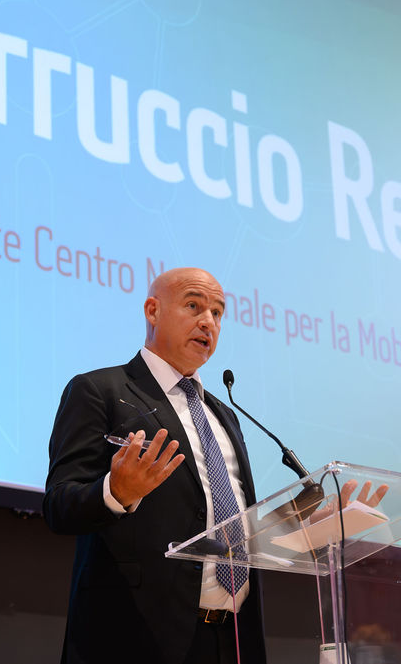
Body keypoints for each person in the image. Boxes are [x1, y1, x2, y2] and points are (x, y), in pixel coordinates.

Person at [43, 267, 266, 664]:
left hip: (232, 638)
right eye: (194, 306)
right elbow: (60, 505)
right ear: (152, 310)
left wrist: (305, 525)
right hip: (137, 637)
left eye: (217, 313)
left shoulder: (224, 415)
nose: (208, 322)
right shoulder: (100, 391)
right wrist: (116, 492)